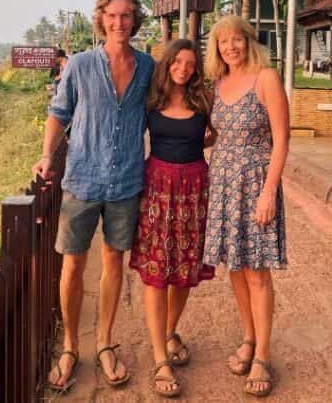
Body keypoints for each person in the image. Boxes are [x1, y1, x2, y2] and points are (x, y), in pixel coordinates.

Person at [31, 0, 154, 393]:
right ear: (101, 20)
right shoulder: (81, 65)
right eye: (112, 16)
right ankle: (69, 346)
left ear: (135, 20)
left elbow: (165, 109)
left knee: (114, 261)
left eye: (126, 15)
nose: (119, 23)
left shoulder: (148, 67)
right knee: (72, 264)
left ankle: (104, 342)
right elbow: (58, 113)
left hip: (126, 181)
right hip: (82, 178)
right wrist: (48, 155)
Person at [202, 15, 289, 398]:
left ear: (249, 41)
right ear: (217, 48)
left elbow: (282, 139)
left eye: (237, 39)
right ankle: (249, 337)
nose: (231, 47)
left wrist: (269, 191)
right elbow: (217, 134)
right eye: (224, 42)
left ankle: (263, 356)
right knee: (235, 268)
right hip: (222, 182)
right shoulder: (218, 83)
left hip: (255, 183)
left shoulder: (265, 77)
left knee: (257, 273)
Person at [128, 39, 215, 398]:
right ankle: (161, 358)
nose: (183, 68)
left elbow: (220, 132)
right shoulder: (151, 100)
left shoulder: (203, 100)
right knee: (156, 272)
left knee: (183, 272)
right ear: (167, 64)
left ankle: (166, 332)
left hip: (194, 189)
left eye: (190, 63)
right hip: (157, 189)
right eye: (177, 61)